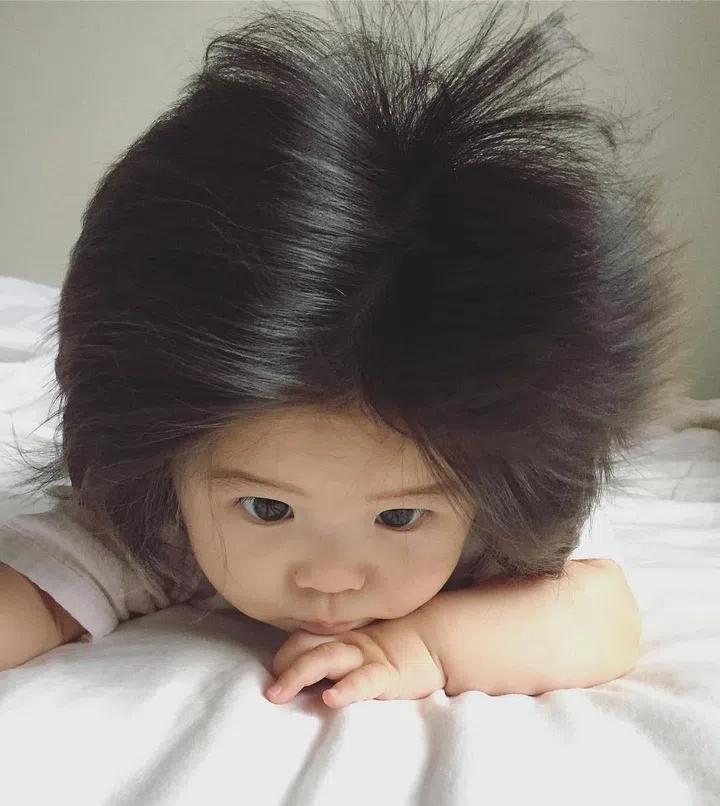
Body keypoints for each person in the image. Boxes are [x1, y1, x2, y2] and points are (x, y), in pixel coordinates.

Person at [0, 0, 686, 705]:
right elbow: (40, 592)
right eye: (267, 509)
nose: (331, 578)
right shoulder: (162, 515)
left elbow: (599, 617)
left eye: (399, 518)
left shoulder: (502, 513)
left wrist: (420, 647)